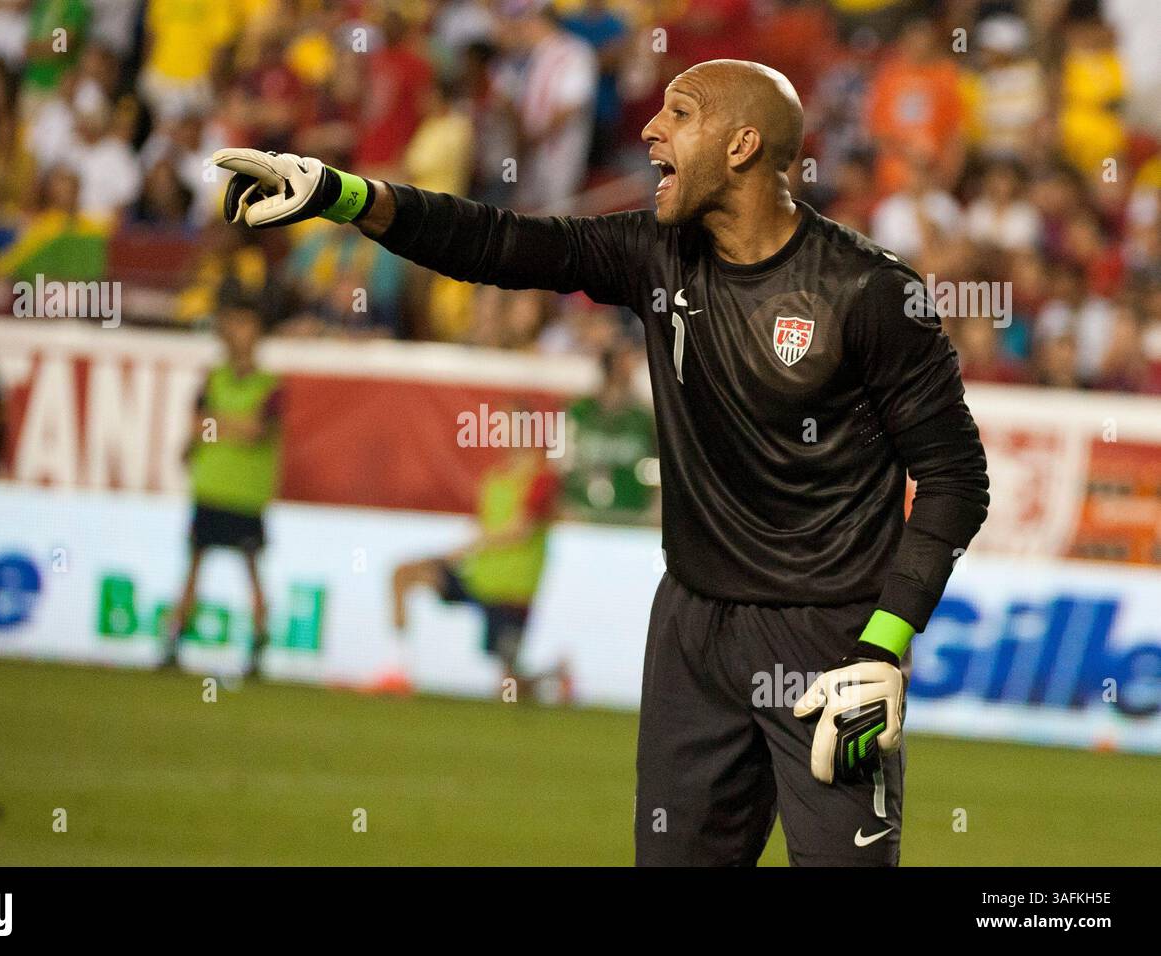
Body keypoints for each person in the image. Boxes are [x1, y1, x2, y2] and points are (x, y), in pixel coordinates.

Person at [211, 56, 989, 866]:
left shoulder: (868, 293)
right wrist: (345, 195)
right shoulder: (655, 254)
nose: (650, 129)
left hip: (832, 641)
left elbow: (955, 478)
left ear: (743, 145)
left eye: (680, 114)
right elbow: (504, 244)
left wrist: (884, 646)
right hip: (692, 629)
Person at [164, 283, 283, 678]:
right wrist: (221, 427)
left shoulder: (270, 387)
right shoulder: (214, 379)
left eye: (244, 324)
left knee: (251, 574)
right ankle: (173, 643)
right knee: (194, 568)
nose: (237, 332)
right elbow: (202, 424)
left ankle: (259, 650)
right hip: (210, 488)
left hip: (246, 494)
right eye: (231, 323)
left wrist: (214, 425)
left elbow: (253, 431)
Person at [390, 436, 560, 698]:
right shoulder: (494, 477)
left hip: (512, 590)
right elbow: (484, 521)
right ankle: (397, 666)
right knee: (404, 574)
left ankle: (552, 677)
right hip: (478, 577)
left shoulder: (542, 480)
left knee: (509, 688)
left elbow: (520, 530)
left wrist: (472, 545)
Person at [559, 344, 658, 524]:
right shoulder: (579, 412)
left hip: (632, 517)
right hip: (582, 514)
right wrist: (564, 506)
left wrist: (655, 509)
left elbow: (659, 466)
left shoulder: (644, 418)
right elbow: (561, 464)